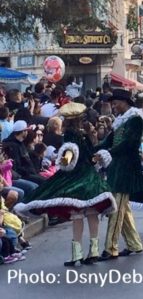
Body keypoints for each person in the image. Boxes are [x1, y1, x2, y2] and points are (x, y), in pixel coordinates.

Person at [14, 102, 116, 266]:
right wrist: (94, 158)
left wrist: (66, 158)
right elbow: (89, 155)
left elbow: (70, 150)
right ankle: (94, 249)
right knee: (91, 212)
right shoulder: (85, 134)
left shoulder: (70, 134)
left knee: (77, 214)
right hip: (90, 176)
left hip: (76, 177)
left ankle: (77, 254)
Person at [96, 89, 143, 261]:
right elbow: (108, 141)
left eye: (115, 103)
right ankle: (134, 244)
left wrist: (107, 152)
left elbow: (129, 143)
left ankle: (111, 248)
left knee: (116, 209)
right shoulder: (120, 121)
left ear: (124, 101)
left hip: (127, 169)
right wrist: (92, 149)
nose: (114, 107)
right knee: (123, 208)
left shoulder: (136, 119)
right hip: (116, 168)